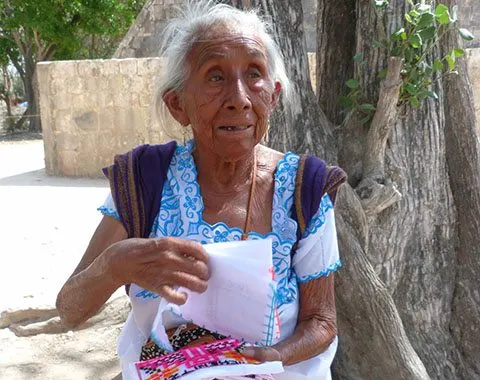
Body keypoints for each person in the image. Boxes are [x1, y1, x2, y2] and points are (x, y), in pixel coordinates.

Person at [56, 1, 346, 379]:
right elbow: (70, 310)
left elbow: (322, 321)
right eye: (214, 76)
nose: (239, 98)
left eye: (254, 74)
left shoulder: (304, 188)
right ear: (178, 104)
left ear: (272, 97)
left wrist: (268, 357)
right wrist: (113, 267)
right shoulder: (146, 180)